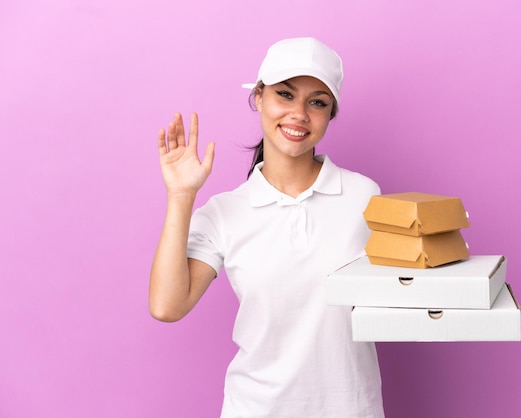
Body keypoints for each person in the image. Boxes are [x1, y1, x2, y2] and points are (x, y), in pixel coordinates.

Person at [150, 37, 385, 418]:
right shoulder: (225, 212)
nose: (299, 114)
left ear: (330, 113)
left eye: (318, 102)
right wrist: (180, 196)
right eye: (285, 94)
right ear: (259, 97)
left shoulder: (364, 197)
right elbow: (166, 306)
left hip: (352, 408)